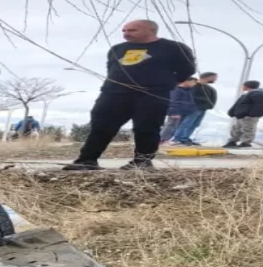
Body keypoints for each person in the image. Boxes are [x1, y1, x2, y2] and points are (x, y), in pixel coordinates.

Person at [63, 20, 195, 171]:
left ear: (150, 30)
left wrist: (162, 84)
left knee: (146, 128)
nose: (126, 34)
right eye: (124, 31)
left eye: (132, 30)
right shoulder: (117, 49)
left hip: (151, 94)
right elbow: (112, 69)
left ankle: (142, 163)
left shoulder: (174, 48)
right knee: (101, 126)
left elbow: (186, 70)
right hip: (113, 94)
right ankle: (87, 160)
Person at [170, 71, 217, 146]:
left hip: (203, 108)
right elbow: (189, 96)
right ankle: (179, 138)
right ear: (208, 77)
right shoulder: (195, 86)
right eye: (214, 77)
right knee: (187, 123)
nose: (215, 79)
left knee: (194, 124)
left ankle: (186, 137)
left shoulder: (207, 87)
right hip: (193, 108)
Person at [224, 80, 263, 148]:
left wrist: (252, 114)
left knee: (248, 129)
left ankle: (246, 142)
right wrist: (232, 112)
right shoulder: (246, 95)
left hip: (249, 116)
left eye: (243, 85)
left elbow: (262, 106)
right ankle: (233, 141)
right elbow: (237, 104)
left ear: (247, 86)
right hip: (240, 116)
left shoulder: (259, 94)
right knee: (236, 129)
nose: (242, 87)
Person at [159, 77, 198, 144]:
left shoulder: (188, 90)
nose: (194, 84)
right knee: (171, 125)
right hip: (176, 111)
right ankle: (162, 139)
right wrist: (174, 112)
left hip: (184, 111)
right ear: (186, 81)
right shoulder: (176, 90)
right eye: (193, 82)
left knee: (176, 126)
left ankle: (167, 139)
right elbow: (173, 101)